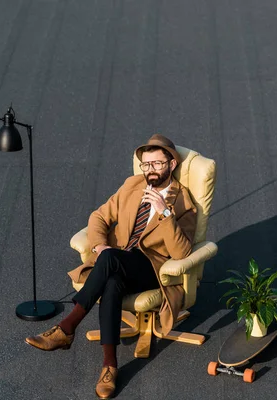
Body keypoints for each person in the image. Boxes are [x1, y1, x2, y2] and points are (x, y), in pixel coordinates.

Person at [25, 134, 197, 399]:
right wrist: (98, 246)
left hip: (153, 270)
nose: (150, 170)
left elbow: (182, 251)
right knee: (112, 281)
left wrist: (164, 213)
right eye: (146, 164)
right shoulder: (132, 185)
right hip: (117, 261)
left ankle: (67, 328)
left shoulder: (183, 201)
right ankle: (109, 367)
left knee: (110, 261)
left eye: (157, 164)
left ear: (172, 164)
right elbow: (99, 217)